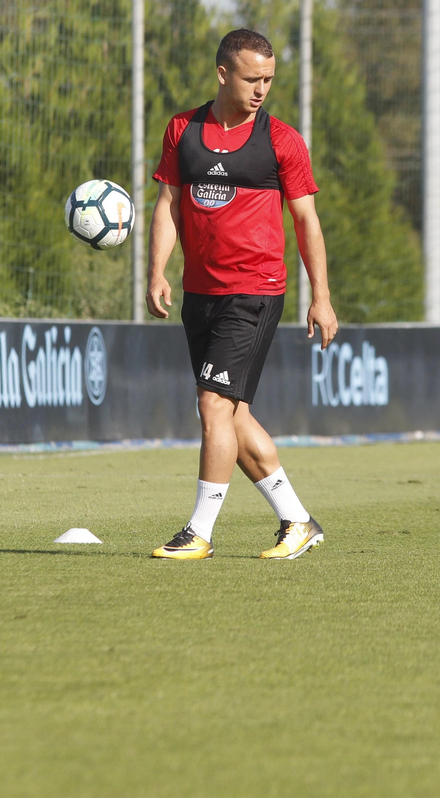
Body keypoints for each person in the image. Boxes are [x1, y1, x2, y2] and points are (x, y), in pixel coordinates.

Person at [146, 27, 339, 561]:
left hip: (254, 292)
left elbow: (307, 222)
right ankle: (297, 522)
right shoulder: (182, 130)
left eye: (270, 80)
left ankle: (199, 532)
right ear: (223, 73)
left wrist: (320, 296)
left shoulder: (282, 141)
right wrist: (157, 270)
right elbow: (167, 204)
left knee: (213, 407)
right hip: (199, 294)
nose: (262, 89)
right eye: (253, 78)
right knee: (233, 418)